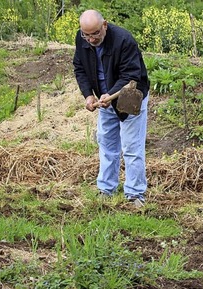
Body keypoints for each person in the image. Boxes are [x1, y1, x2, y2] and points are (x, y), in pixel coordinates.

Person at [73, 10, 150, 208]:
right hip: (104, 98)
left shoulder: (124, 40)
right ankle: (106, 189)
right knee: (107, 144)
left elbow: (131, 75)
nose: (91, 39)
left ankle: (135, 194)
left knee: (131, 147)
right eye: (86, 35)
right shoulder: (81, 39)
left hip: (130, 95)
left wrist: (111, 94)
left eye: (95, 33)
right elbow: (79, 68)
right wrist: (88, 95)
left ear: (104, 25)